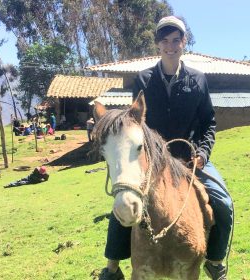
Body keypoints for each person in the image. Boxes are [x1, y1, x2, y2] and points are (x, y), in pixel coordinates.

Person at [99, 16, 233, 280]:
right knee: (124, 198)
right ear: (158, 44)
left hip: (189, 158)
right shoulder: (143, 79)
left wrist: (203, 153)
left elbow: (208, 122)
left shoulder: (198, 79)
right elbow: (135, 120)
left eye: (176, 40)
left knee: (224, 203)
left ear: (184, 42)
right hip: (153, 160)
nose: (170, 46)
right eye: (165, 41)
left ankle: (215, 261)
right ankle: (112, 266)